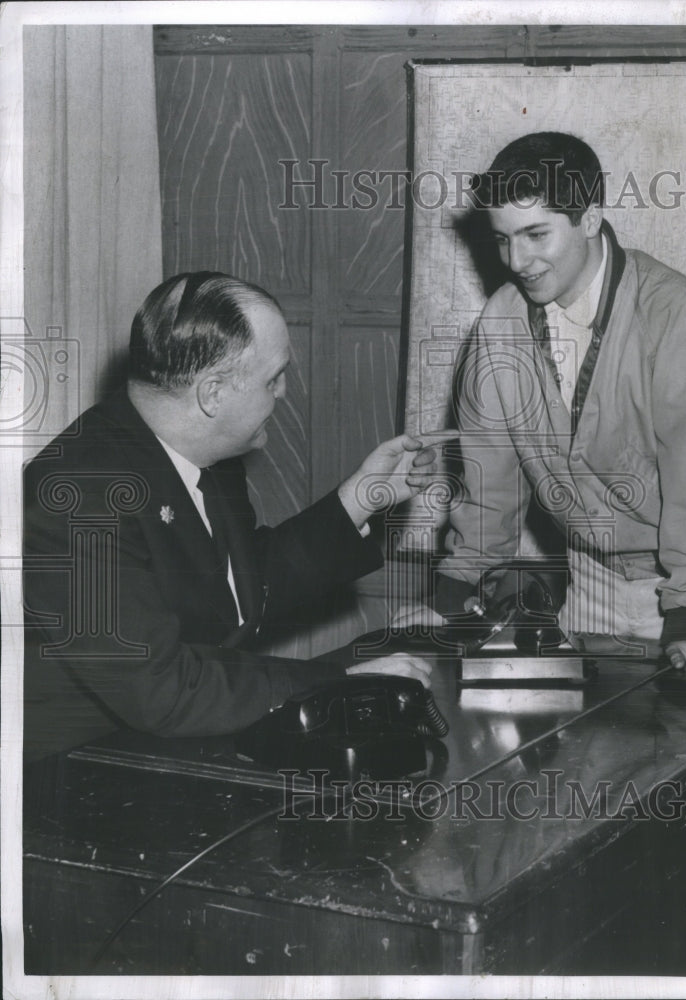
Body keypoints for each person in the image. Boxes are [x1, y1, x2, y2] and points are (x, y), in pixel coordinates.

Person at [24, 271, 435, 760]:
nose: (282, 392)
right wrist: (338, 679)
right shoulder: (76, 498)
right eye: (272, 378)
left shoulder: (203, 455)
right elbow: (161, 689)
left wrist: (359, 499)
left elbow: (234, 590)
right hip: (75, 771)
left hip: (172, 742)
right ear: (213, 393)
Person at [426, 132, 686, 673]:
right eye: (503, 239)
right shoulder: (501, 321)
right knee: (593, 753)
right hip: (593, 575)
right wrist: (455, 588)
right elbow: (488, 469)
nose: (517, 260)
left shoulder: (679, 316)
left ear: (589, 219)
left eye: (535, 234)